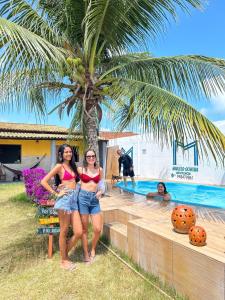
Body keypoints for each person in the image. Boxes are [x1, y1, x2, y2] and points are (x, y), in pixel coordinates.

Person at [41, 144, 82, 270]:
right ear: (61, 154)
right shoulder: (59, 166)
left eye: (70, 152)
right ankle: (64, 260)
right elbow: (43, 181)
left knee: (79, 232)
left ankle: (64, 253)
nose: (69, 154)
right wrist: (56, 193)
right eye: (66, 152)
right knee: (64, 231)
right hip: (64, 200)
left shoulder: (72, 166)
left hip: (74, 200)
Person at [77, 149, 104, 264]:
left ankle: (93, 248)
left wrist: (101, 192)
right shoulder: (81, 169)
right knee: (84, 228)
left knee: (97, 228)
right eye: (88, 156)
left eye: (93, 156)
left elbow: (102, 184)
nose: (91, 158)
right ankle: (86, 252)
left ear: (95, 157)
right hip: (83, 198)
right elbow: (74, 183)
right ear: (85, 158)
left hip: (94, 200)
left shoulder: (100, 169)